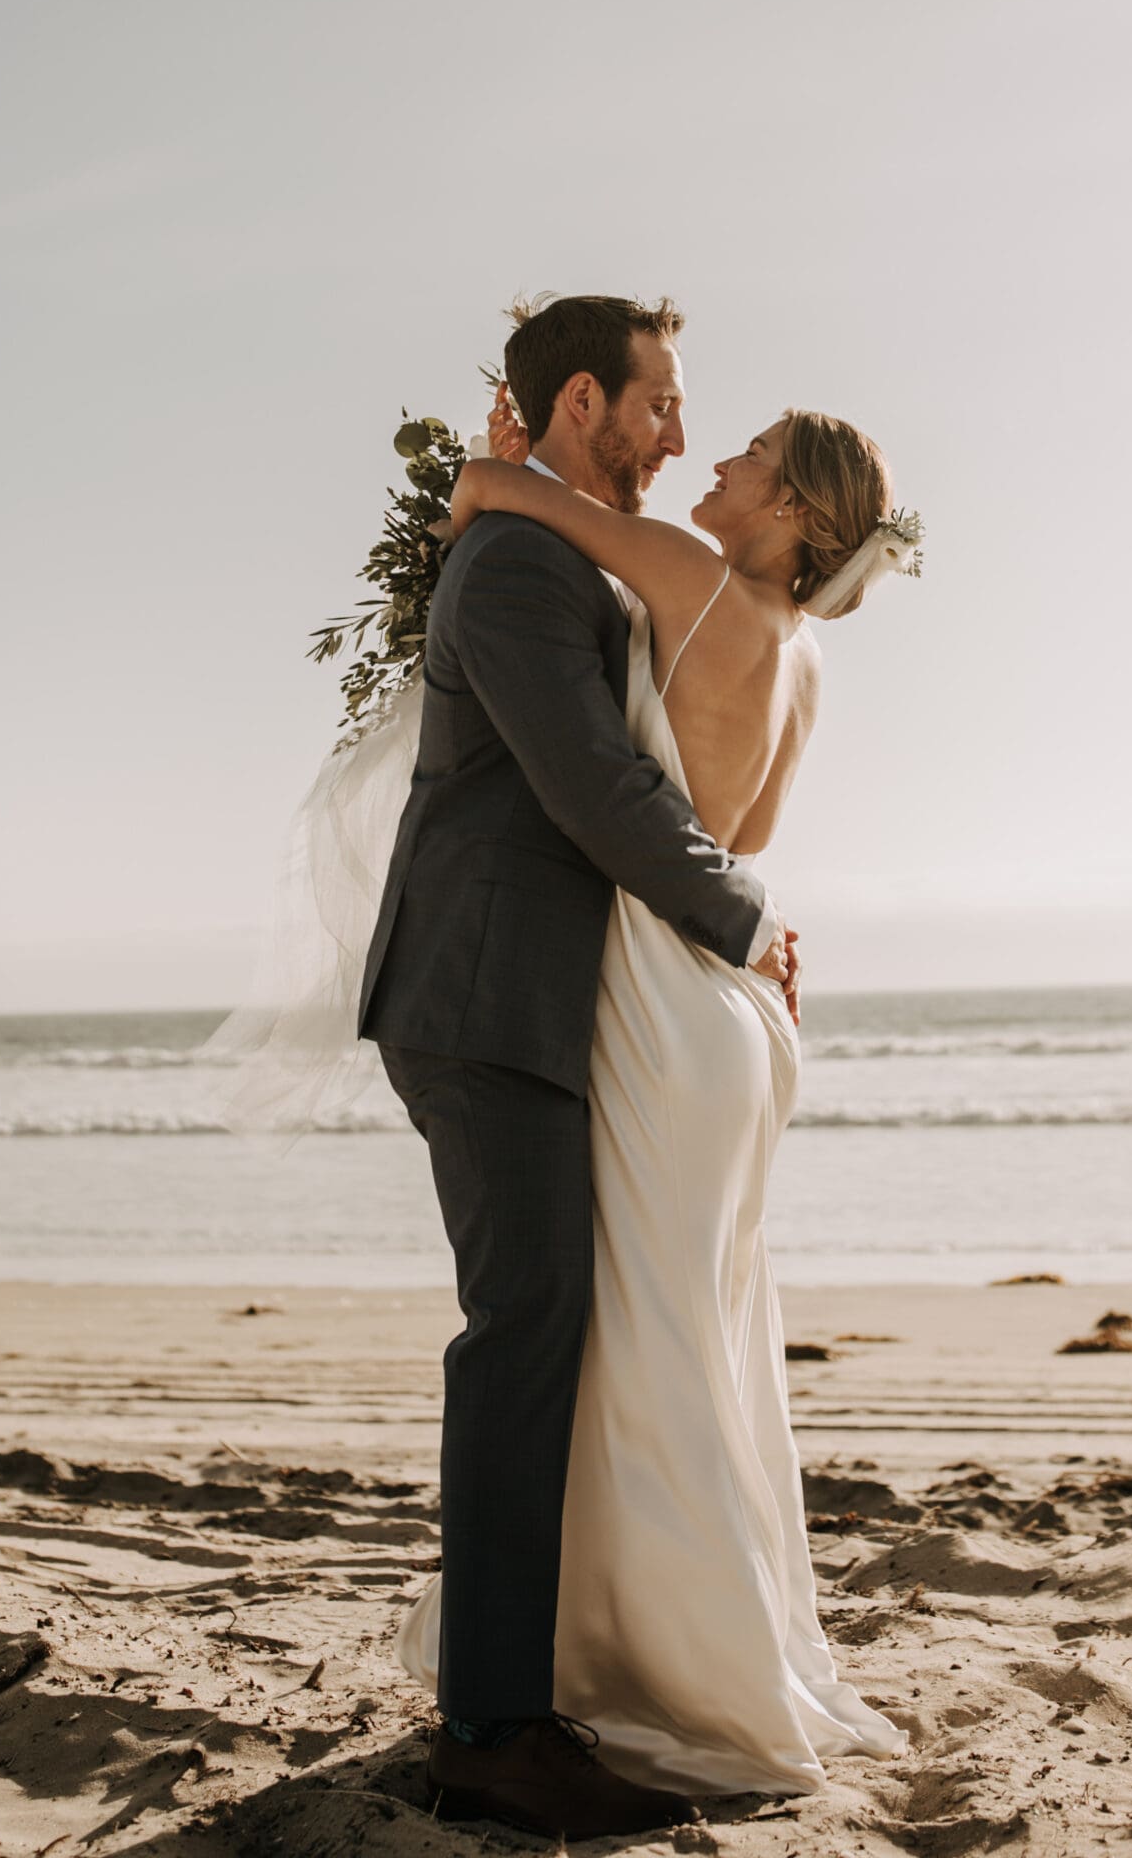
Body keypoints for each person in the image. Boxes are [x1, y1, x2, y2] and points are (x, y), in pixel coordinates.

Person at [394, 388, 914, 1802]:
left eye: (745, 458)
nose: (719, 461)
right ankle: (701, 1646)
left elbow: (516, 513)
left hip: (660, 995)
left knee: (642, 1343)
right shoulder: (803, 657)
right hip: (741, 1016)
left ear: (793, 513)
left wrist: (499, 469)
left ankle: (639, 1666)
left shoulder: (689, 579)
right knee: (704, 1329)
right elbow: (733, 834)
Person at [359, 295, 798, 1838]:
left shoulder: (558, 549)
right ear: (578, 405)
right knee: (525, 1333)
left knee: (551, 1333)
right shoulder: (521, 564)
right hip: (484, 1001)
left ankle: (529, 1681)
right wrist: (739, 917)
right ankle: (487, 1729)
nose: (677, 435)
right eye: (659, 401)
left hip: (540, 1000)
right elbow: (596, 788)